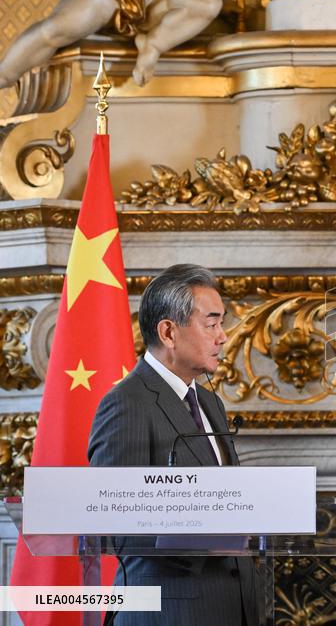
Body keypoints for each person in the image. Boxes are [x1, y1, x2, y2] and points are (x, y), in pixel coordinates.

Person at [88, 264, 259, 625]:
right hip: (168, 612)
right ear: (168, 331)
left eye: (221, 323)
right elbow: (116, 521)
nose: (223, 336)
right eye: (211, 324)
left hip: (234, 608)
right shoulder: (127, 403)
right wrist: (214, 537)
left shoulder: (209, 401)